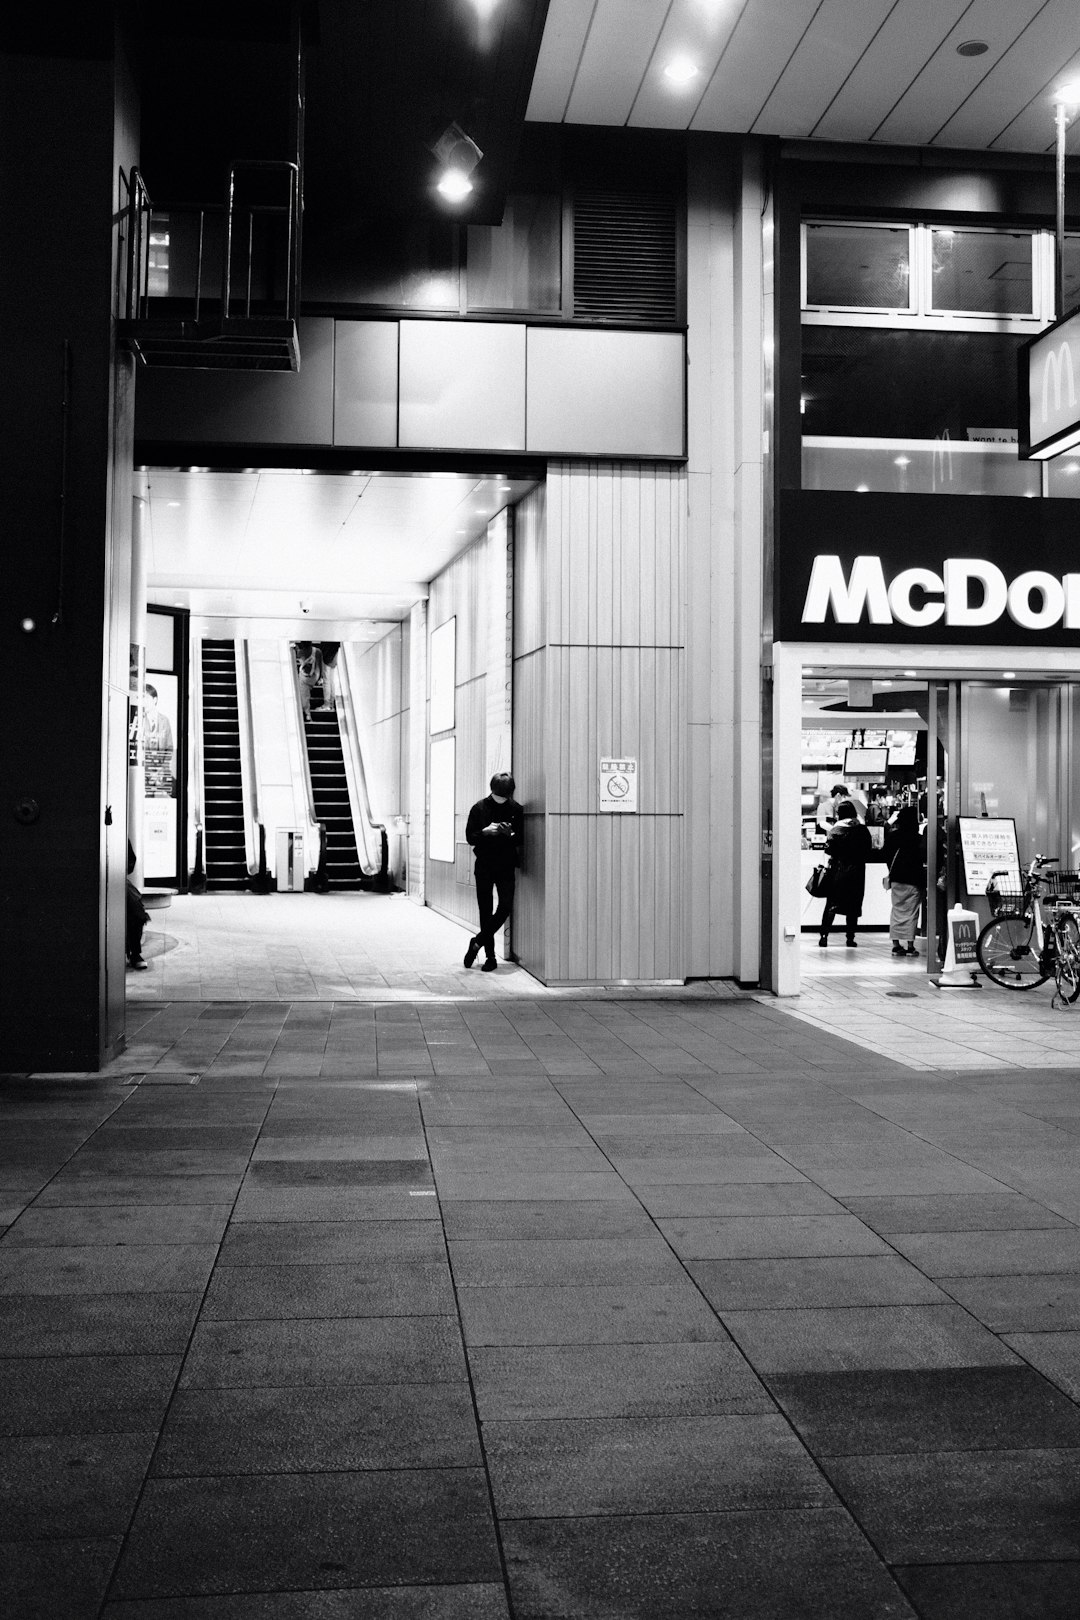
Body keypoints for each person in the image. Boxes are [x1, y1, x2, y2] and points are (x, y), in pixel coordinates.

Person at [463, 772, 524, 973]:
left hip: (506, 865)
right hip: (485, 865)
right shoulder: (479, 808)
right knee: (485, 909)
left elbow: (520, 839)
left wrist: (511, 833)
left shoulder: (516, 809)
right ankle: (490, 957)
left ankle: (477, 942)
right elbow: (470, 837)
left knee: (505, 907)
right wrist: (485, 832)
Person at [819, 799, 873, 948]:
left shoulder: (835, 830)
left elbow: (829, 850)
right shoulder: (862, 830)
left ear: (840, 814)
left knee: (831, 904)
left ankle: (824, 936)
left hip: (838, 871)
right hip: (857, 872)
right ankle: (850, 938)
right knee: (853, 906)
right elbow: (868, 850)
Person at [883, 805, 926, 957]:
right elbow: (923, 857)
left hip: (896, 879)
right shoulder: (918, 838)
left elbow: (885, 855)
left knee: (897, 910)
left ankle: (895, 944)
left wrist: (892, 870)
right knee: (911, 913)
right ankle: (910, 946)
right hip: (913, 879)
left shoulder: (893, 836)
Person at [126, 841, 150, 970]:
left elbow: (130, 862)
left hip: (115, 877)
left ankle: (135, 953)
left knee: (136, 911)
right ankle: (135, 954)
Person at [297, 642, 325, 720]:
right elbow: (321, 665)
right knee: (305, 686)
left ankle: (307, 714)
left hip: (306, 677)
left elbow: (304, 666)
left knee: (304, 693)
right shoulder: (318, 651)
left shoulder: (300, 653)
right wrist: (320, 678)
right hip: (316, 676)